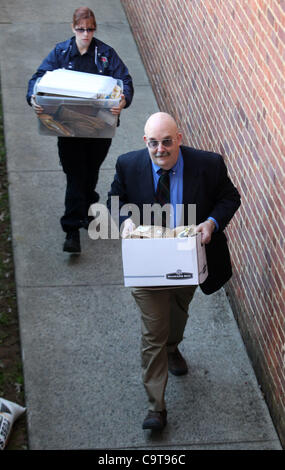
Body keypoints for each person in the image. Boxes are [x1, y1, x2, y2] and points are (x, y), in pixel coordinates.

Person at [107, 112, 241, 430]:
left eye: (167, 141)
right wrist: (125, 220)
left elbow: (229, 197)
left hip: (187, 261)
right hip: (147, 263)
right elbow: (114, 199)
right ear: (145, 142)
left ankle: (173, 346)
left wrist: (211, 223)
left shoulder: (208, 164)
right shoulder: (128, 164)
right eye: (153, 143)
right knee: (153, 330)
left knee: (177, 316)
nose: (160, 149)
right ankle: (156, 407)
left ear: (179, 138)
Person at [27, 6, 134, 253]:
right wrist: (34, 97)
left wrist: (123, 100)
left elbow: (125, 81)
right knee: (75, 174)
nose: (86, 34)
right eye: (81, 29)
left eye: (90, 29)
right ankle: (72, 229)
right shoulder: (61, 53)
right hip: (68, 128)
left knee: (90, 171)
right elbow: (39, 78)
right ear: (72, 28)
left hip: (99, 128)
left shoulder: (106, 55)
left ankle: (87, 204)